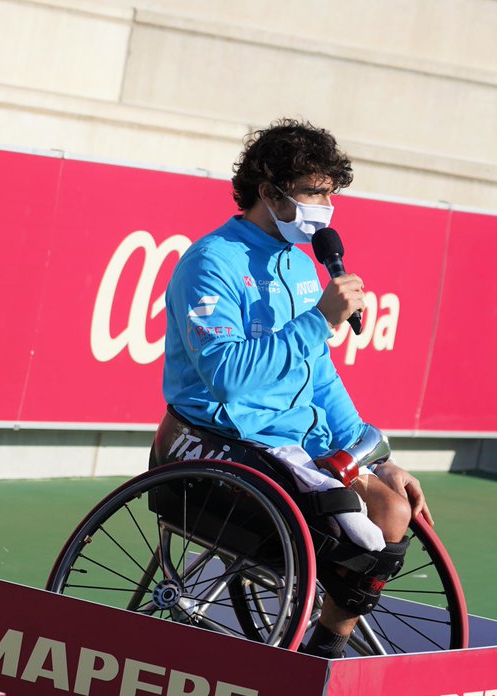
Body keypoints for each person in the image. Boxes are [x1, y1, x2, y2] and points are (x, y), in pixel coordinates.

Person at [157, 118, 430, 659]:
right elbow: (229, 378)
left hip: (288, 441)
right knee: (352, 535)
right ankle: (316, 659)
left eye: (330, 194)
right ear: (268, 192)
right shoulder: (212, 262)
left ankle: (323, 651)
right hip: (214, 434)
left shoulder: (301, 267)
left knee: (394, 510)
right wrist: (317, 320)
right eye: (312, 192)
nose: (324, 207)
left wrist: (375, 460)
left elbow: (317, 375)